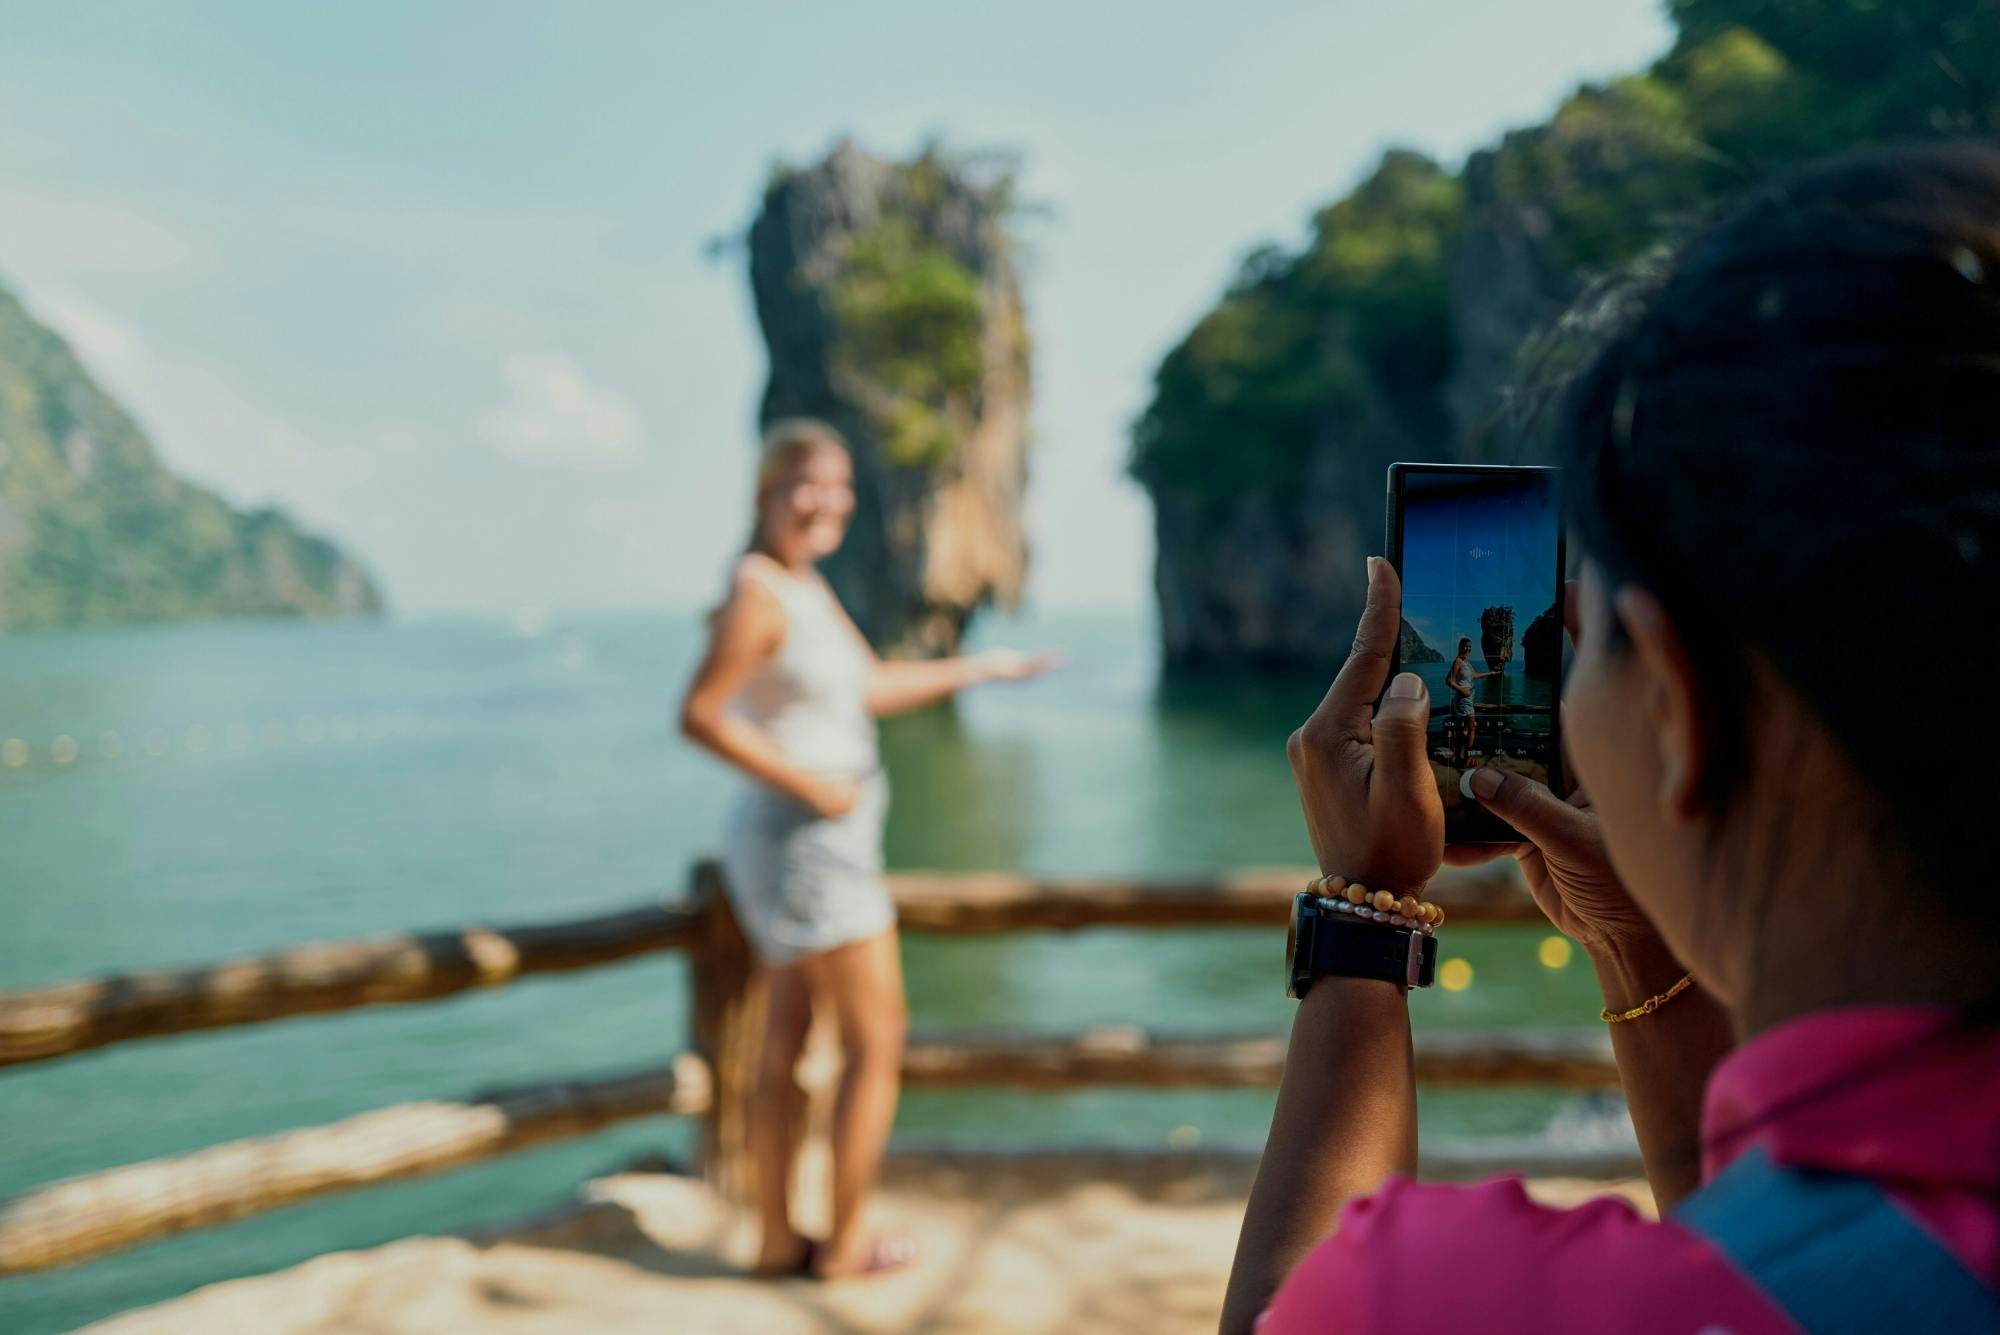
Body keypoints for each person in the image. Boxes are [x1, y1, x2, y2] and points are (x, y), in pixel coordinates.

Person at [1222, 142, 2000, 1333]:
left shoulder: (1482, 1306)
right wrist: (1635, 947)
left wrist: (1361, 926)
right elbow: (1767, 1253)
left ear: (1678, 706)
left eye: (1581, 639)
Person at [679, 418, 1053, 1280]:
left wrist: (981, 671)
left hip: (808, 839)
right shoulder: (761, 590)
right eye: (809, 483)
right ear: (767, 491)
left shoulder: (802, 586)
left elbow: (869, 687)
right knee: (877, 1040)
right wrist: (809, 786)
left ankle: (778, 1239)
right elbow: (701, 712)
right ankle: (841, 1245)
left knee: (787, 1037)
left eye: (841, 486)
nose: (829, 501)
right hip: (809, 841)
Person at [1444, 635, 1499, 767]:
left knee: (1460, 730)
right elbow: (1448, 680)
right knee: (1472, 728)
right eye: (1466, 646)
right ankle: (1466, 759)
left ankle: (1458, 758)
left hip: (1466, 699)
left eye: (1470, 647)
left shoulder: (1466, 662)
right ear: (1461, 647)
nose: (1468, 649)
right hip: (1464, 700)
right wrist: (1462, 690)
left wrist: (1490, 673)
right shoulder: (1458, 661)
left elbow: (1474, 675)